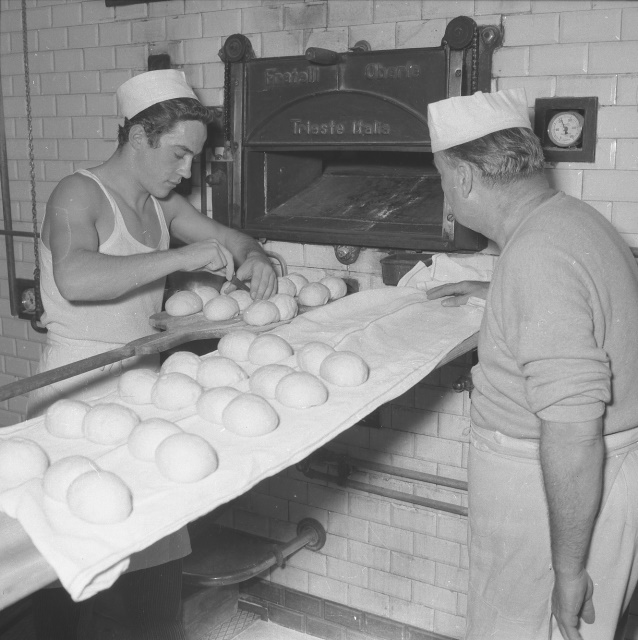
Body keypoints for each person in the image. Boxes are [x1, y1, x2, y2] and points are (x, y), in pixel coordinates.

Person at [28, 69, 277, 639]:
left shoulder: (164, 205)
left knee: (156, 556)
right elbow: (76, 278)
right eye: (179, 154)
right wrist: (180, 258)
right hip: (73, 388)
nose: (186, 170)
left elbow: (232, 239)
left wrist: (256, 256)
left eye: (194, 157)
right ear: (140, 135)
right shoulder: (78, 192)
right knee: (70, 563)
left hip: (140, 387)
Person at [426, 88, 638, 640]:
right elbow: (577, 301)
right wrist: (498, 293)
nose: (446, 194)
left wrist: (568, 571)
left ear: (464, 178)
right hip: (599, 477)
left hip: (550, 493)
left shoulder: (536, 257)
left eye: (442, 178)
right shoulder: (569, 222)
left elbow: (572, 432)